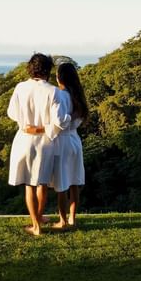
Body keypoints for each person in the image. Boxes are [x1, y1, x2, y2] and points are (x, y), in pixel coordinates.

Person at [7, 53, 70, 236]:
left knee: (29, 185)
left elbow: (12, 113)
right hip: (45, 142)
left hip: (24, 139)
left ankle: (36, 225)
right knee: (42, 183)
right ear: (48, 70)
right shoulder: (54, 92)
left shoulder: (20, 87)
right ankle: (39, 219)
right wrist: (43, 128)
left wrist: (28, 125)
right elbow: (60, 121)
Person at [50, 61, 88, 229]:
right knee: (74, 182)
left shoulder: (61, 95)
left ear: (60, 77)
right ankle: (73, 218)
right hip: (75, 140)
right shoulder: (78, 96)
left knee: (61, 183)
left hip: (63, 141)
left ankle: (62, 220)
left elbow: (59, 122)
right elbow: (78, 119)